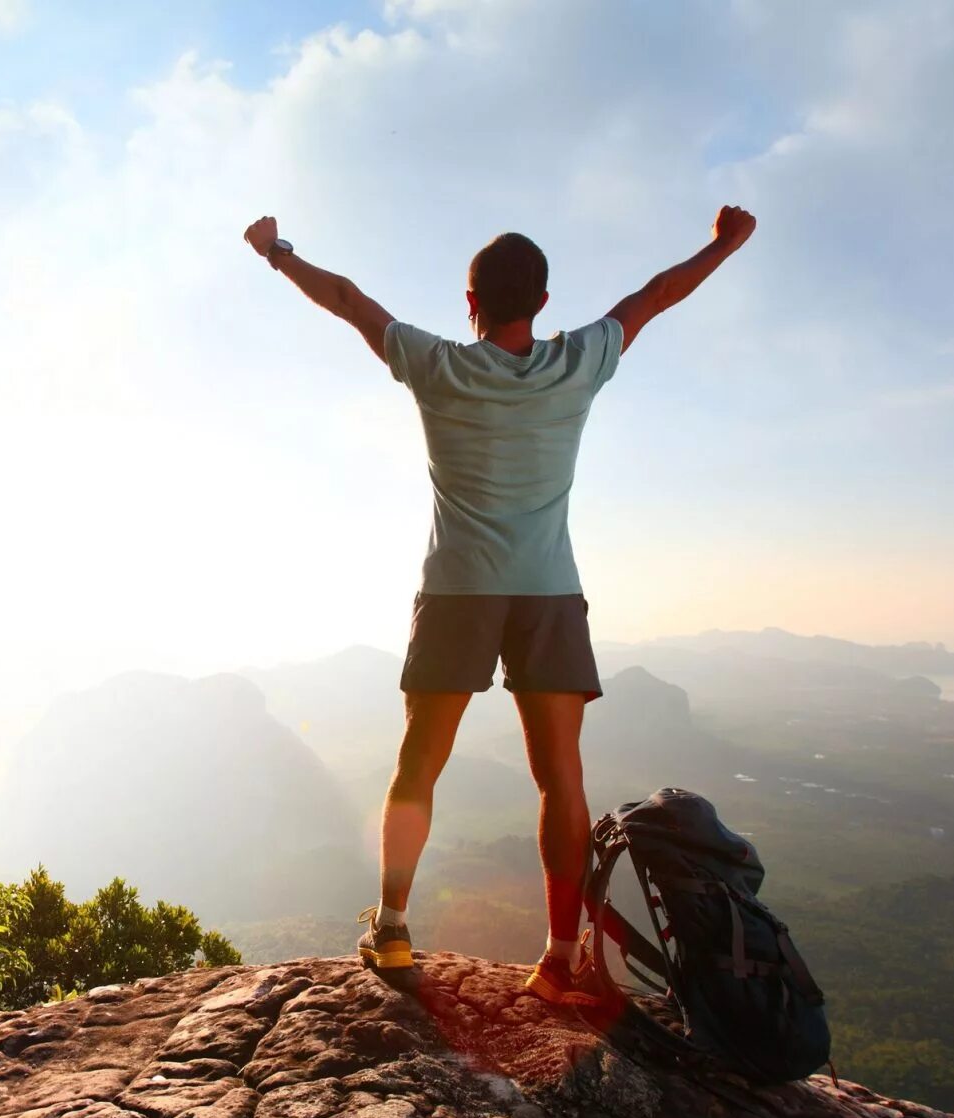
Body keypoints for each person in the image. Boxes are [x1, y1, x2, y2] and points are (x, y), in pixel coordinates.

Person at [240, 205, 757, 1003]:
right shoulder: (578, 362)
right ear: (543, 302)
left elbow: (346, 298)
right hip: (548, 589)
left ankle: (393, 927)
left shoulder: (436, 364)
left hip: (457, 590)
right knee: (561, 779)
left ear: (469, 300)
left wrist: (276, 250)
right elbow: (656, 295)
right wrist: (724, 244)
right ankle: (559, 958)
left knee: (420, 763)